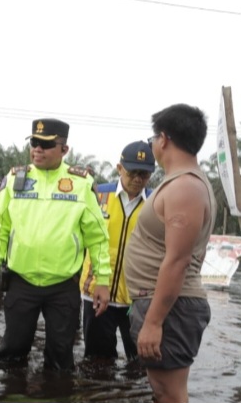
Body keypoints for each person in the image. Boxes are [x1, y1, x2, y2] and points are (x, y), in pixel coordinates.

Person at [0, 118, 111, 372]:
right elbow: (0, 229)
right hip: (21, 281)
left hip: (63, 286)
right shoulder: (15, 179)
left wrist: (103, 281)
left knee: (61, 357)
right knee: (12, 350)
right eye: (34, 143)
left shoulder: (81, 184)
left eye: (46, 145)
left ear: (64, 150)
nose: (37, 149)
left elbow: (97, 237)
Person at [125, 104, 214, 403]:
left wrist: (152, 322)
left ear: (163, 139)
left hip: (169, 309)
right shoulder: (180, 183)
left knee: (169, 392)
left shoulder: (185, 187)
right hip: (163, 305)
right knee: (162, 389)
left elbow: (178, 260)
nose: (152, 144)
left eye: (152, 138)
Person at [79, 140, 155, 361]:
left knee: (141, 364)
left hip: (138, 299)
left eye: (145, 174)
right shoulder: (98, 196)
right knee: (97, 363)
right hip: (96, 293)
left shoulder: (156, 203)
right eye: (133, 172)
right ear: (119, 167)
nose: (138, 179)